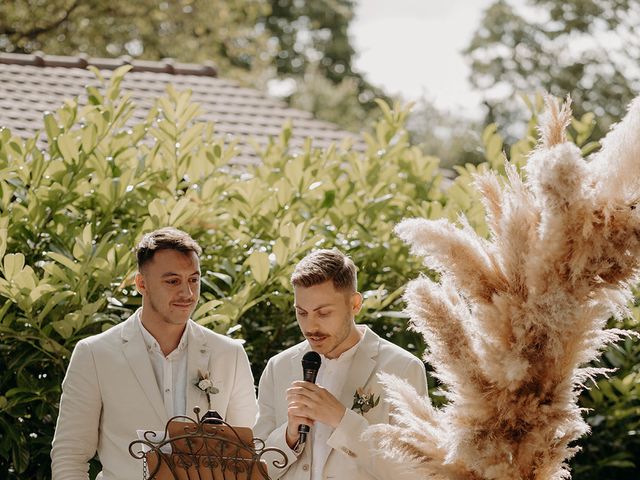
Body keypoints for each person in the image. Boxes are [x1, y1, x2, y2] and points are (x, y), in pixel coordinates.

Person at [51, 227, 258, 480]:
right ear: (141, 283)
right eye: (172, 281)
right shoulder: (94, 354)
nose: (188, 293)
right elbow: (69, 455)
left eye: (193, 279)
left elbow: (247, 452)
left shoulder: (229, 354)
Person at [254, 248, 428, 480]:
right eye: (301, 312)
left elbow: (414, 471)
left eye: (323, 313)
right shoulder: (279, 367)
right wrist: (288, 437)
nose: (310, 326)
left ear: (355, 304)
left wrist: (342, 420)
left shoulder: (403, 368)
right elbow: (255, 469)